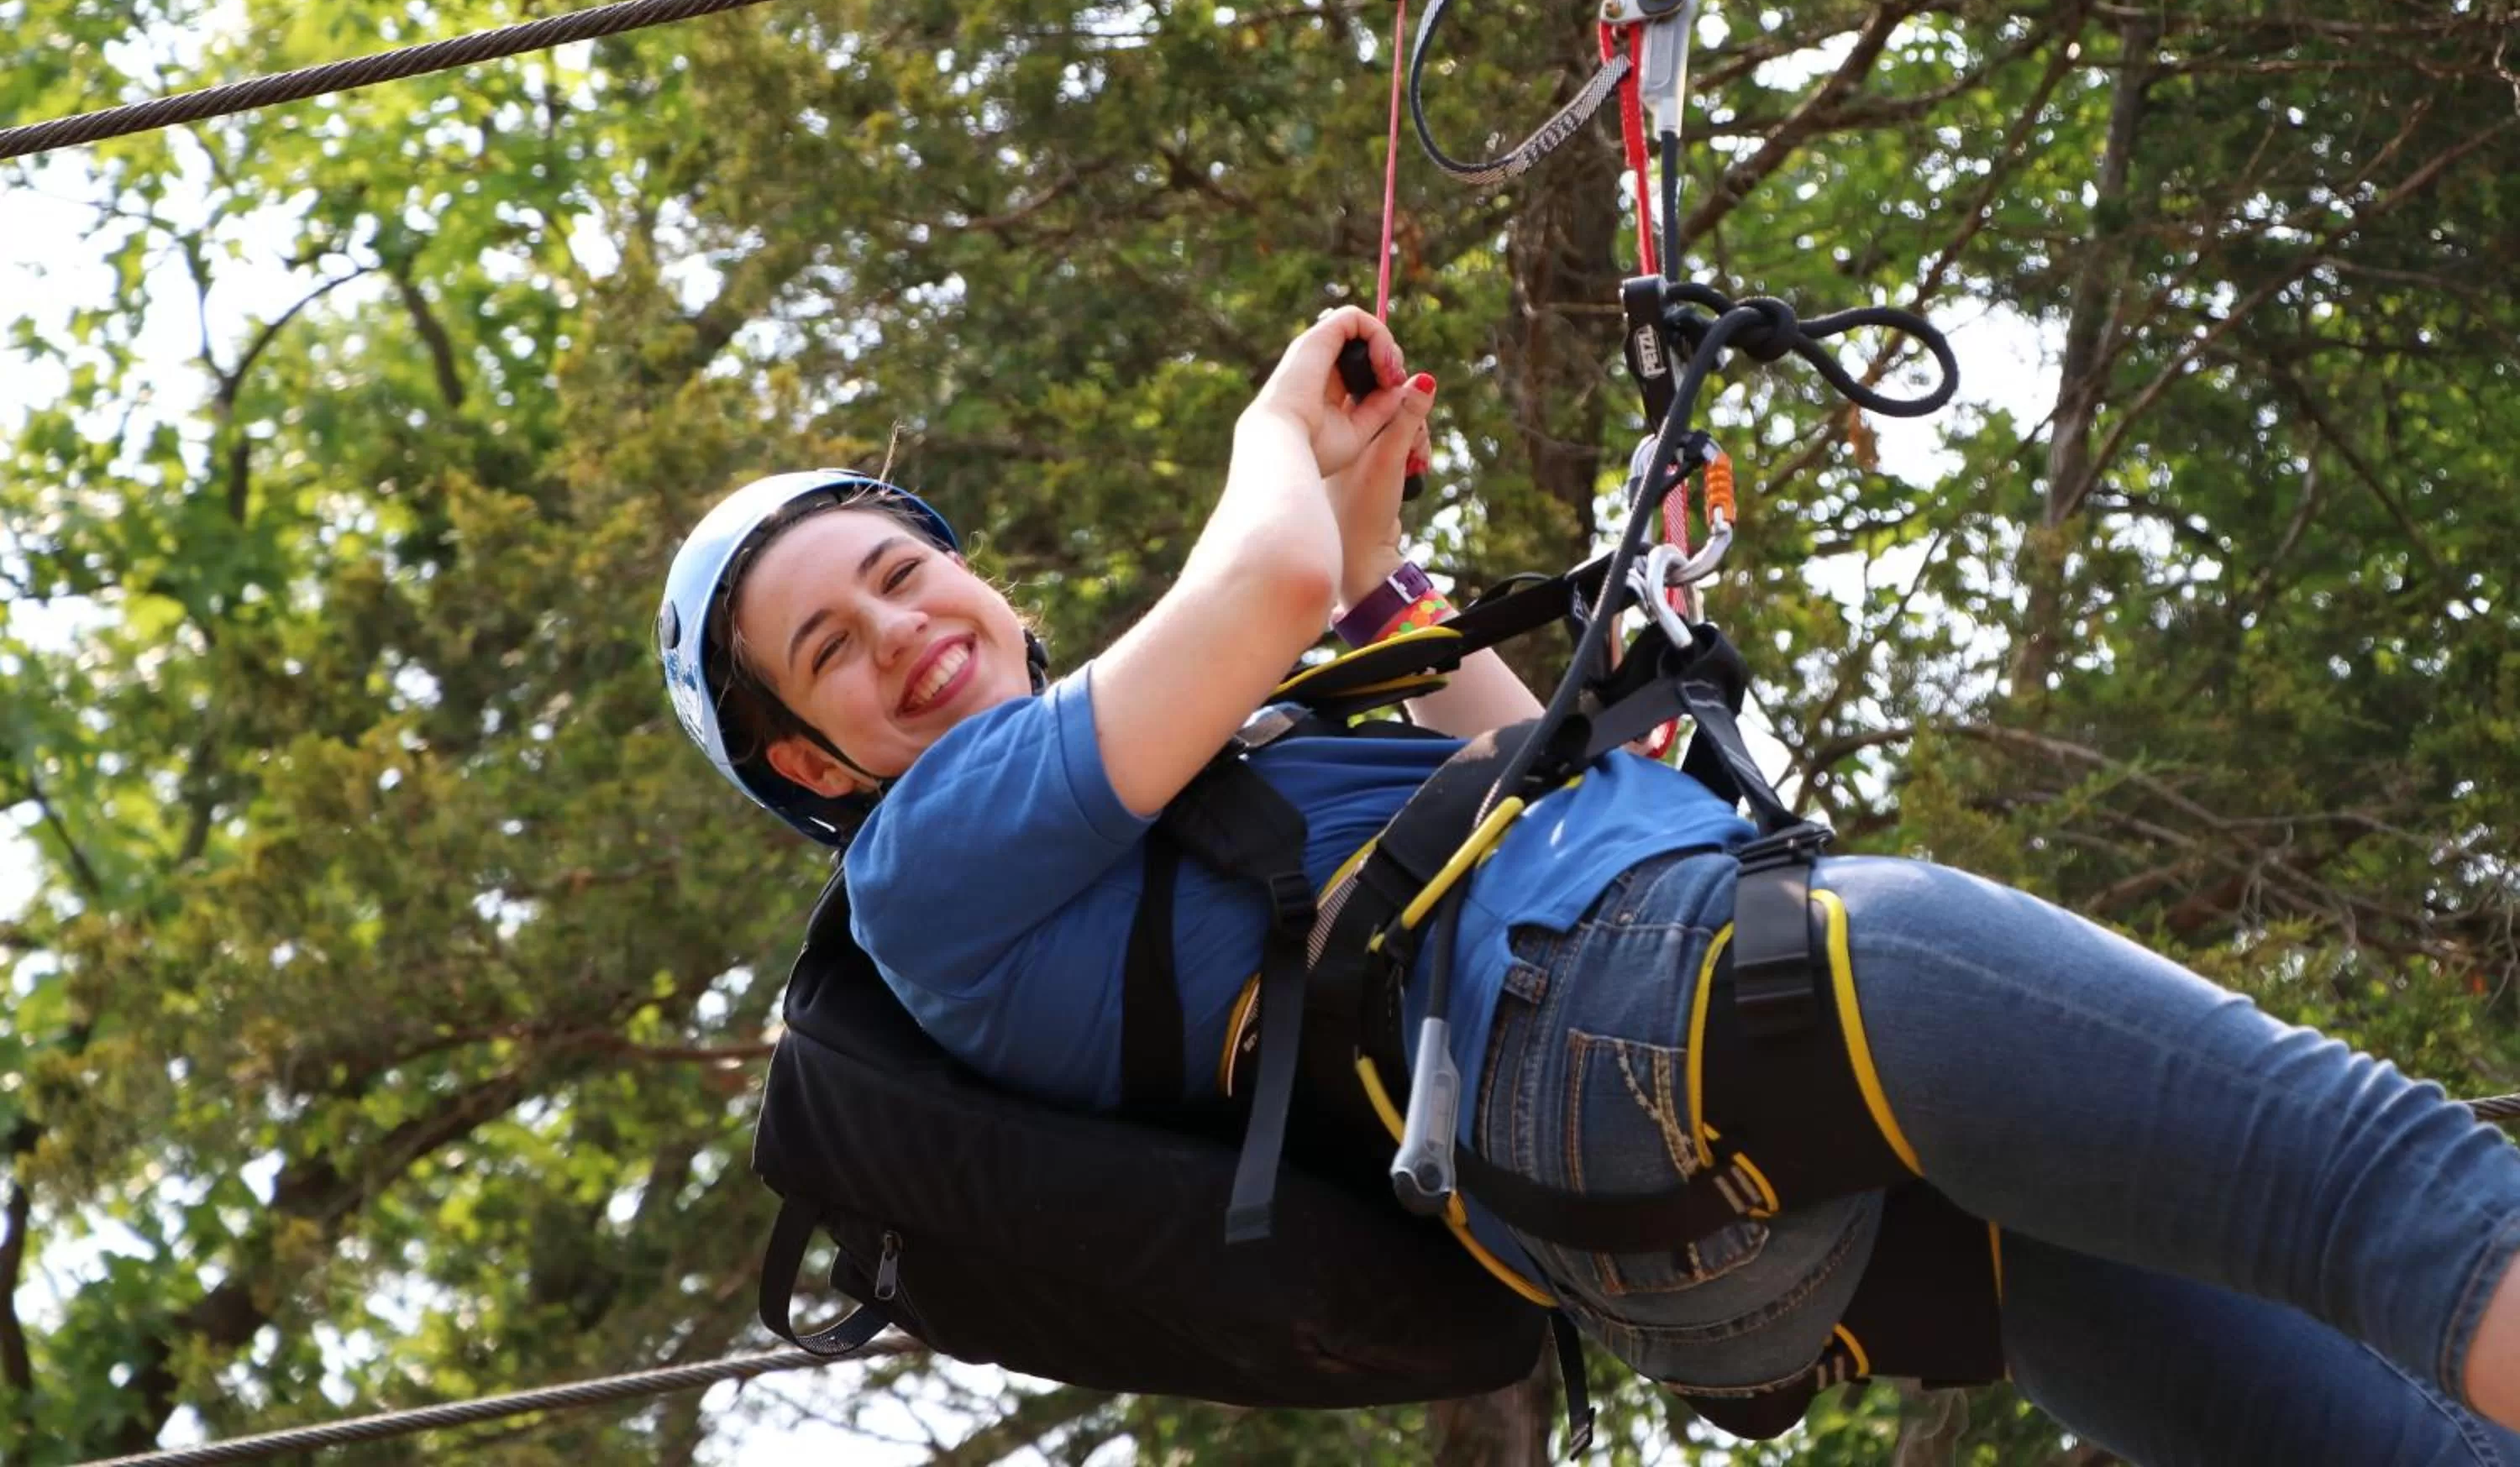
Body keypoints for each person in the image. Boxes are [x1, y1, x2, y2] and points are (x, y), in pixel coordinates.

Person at [660, 306, 2520, 1464]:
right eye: (833, 649)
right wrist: (1273, 448)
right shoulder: (932, 859)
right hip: (1636, 1014)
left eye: (900, 573)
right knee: (2378, 1179)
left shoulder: (1156, 811)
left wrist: (1382, 581)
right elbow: (1258, 583)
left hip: (1647, 1197)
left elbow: (1543, 759)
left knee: (2332, 1418)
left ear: (966, 574)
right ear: (814, 765)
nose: (900, 632)